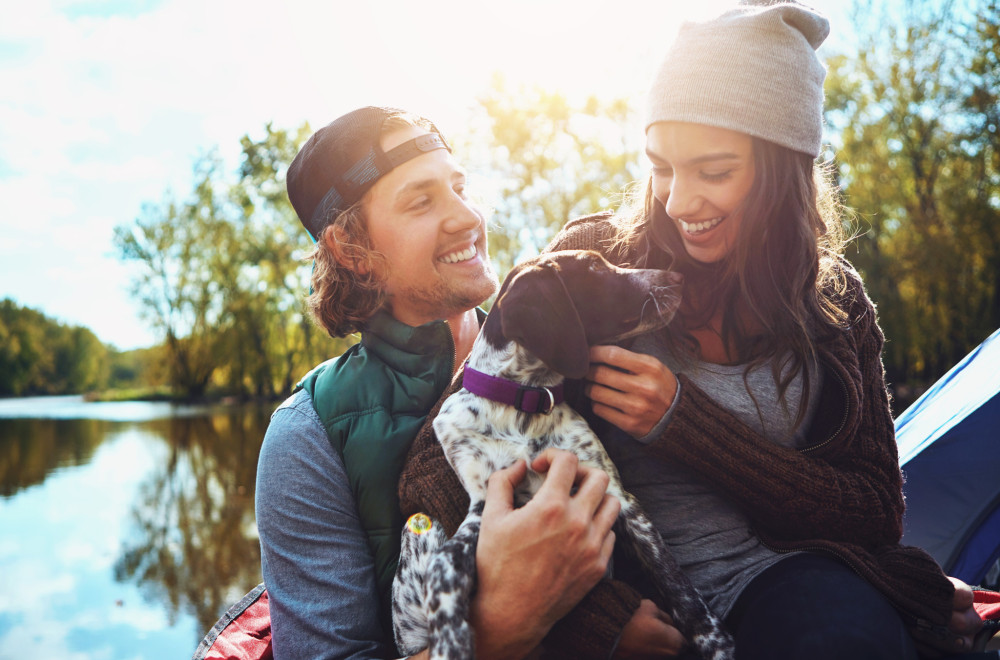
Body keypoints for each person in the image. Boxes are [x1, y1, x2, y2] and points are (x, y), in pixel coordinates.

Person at [398, 3, 991, 658]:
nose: (678, 201)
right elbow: (436, 461)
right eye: (660, 166)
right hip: (637, 593)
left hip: (790, 582)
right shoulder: (593, 264)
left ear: (782, 168)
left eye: (713, 171)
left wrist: (686, 424)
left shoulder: (835, 302)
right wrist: (599, 623)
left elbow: (875, 511)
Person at [255, 106, 622, 659]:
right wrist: (499, 622)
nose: (467, 217)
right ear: (352, 251)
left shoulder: (568, 342)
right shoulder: (307, 439)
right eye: (421, 201)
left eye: (459, 186)